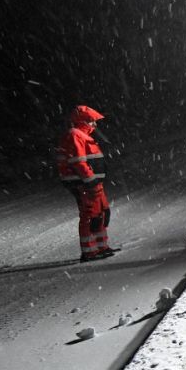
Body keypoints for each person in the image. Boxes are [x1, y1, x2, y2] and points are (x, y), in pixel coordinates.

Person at [55, 104, 115, 261]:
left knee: (101, 212)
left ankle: (101, 247)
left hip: (90, 182)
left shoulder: (82, 135)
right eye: (91, 121)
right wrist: (91, 182)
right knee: (90, 215)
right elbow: (79, 163)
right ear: (82, 121)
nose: (95, 124)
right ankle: (89, 251)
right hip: (83, 183)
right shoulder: (75, 135)